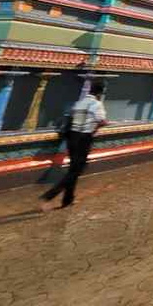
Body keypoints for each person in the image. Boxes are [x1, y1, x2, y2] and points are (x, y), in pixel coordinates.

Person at [41, 80, 108, 210]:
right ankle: (49, 195)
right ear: (100, 93)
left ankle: (67, 200)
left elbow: (70, 116)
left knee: (73, 169)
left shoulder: (79, 103)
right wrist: (98, 126)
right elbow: (102, 120)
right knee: (77, 170)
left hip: (72, 137)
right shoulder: (96, 104)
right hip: (84, 138)